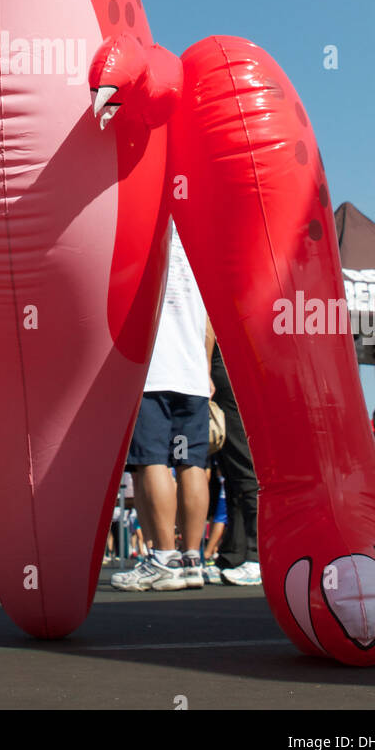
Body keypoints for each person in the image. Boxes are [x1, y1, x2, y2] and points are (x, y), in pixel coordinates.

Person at [111, 225, 213, 592]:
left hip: (155, 372)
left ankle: (164, 559)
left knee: (153, 460)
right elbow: (210, 318)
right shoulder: (199, 238)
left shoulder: (140, 230)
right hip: (191, 374)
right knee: (190, 463)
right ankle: (191, 559)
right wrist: (204, 363)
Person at [209, 339, 261, 586]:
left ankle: (257, 554)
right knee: (231, 474)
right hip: (223, 365)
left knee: (244, 468)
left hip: (228, 364)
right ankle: (234, 554)